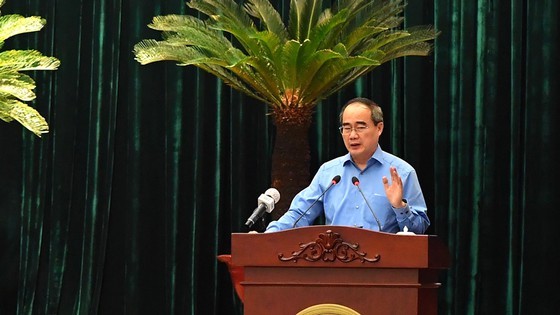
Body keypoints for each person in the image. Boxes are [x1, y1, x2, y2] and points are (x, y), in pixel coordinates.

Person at [265, 97, 430, 234]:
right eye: (346, 128)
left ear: (379, 128)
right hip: (335, 267)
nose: (352, 135)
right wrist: (267, 236)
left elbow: (420, 230)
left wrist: (399, 207)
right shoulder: (329, 173)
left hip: (383, 268)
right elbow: (300, 214)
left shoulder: (402, 172)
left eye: (360, 127)